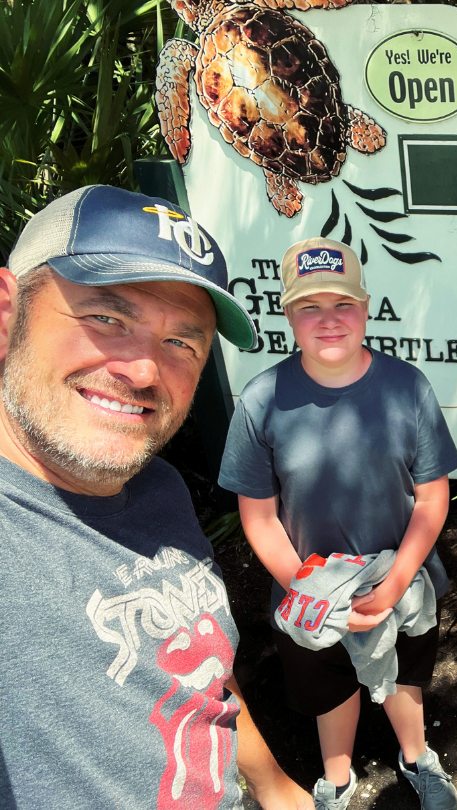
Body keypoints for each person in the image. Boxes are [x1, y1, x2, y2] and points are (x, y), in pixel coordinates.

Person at [0, 184, 314, 809]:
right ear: (7, 314)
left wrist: (277, 788)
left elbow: (202, 672)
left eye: (181, 342)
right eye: (107, 318)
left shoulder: (157, 488)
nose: (143, 370)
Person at [217, 237, 457, 810]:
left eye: (342, 305)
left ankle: (416, 757)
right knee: (330, 688)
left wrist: (397, 581)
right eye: (310, 308)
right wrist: (314, 591)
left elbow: (431, 499)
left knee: (404, 675)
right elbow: (257, 513)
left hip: (402, 580)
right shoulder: (262, 400)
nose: (328, 322)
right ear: (288, 316)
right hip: (308, 590)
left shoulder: (408, 387)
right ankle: (337, 777)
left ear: (367, 307)